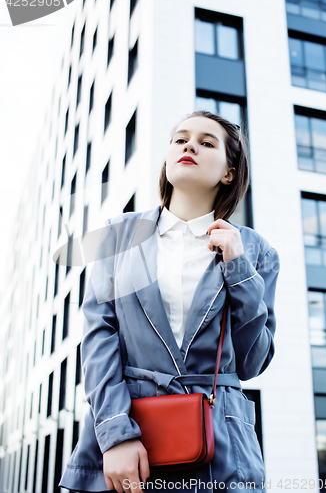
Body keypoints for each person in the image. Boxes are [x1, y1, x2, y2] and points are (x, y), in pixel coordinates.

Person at [59, 110, 280, 493]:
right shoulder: (118, 235)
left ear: (229, 172)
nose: (189, 145)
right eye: (180, 139)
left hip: (221, 446)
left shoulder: (257, 251)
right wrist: (115, 434)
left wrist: (239, 269)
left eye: (206, 142)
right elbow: (98, 339)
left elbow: (251, 363)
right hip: (131, 435)